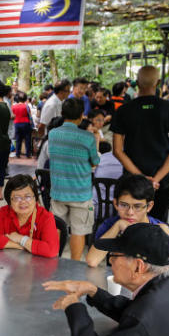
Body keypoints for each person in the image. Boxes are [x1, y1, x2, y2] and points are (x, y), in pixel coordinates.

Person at [111, 65, 169, 221]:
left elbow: (117, 150)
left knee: (130, 222)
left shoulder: (124, 110)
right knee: (156, 224)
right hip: (161, 181)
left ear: (137, 83)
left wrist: (141, 178)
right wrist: (155, 180)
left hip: (132, 180)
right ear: (157, 83)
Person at [87, 173, 169, 267]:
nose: (130, 212)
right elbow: (92, 261)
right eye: (124, 205)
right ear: (115, 204)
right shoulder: (110, 225)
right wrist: (117, 226)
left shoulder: (166, 231)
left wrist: (165, 237)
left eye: (137, 206)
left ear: (149, 206)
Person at [48, 97, 100, 260]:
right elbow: (95, 162)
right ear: (81, 116)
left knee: (56, 228)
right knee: (78, 231)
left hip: (58, 192)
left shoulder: (53, 134)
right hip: (81, 193)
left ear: (62, 114)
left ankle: (53, 260)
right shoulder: (88, 137)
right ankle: (75, 265)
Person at [0, 174, 59, 258]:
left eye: (28, 197)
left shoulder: (46, 217)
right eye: (16, 198)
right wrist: (21, 245)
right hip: (8, 265)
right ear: (9, 201)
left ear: (35, 199)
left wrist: (20, 239)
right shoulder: (4, 212)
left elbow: (51, 250)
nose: (23, 201)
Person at [11, 91, 34, 158]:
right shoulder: (26, 106)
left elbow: (13, 115)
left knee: (18, 139)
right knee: (27, 139)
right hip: (26, 123)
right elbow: (29, 115)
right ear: (25, 99)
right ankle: (28, 154)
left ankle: (17, 154)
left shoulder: (14, 107)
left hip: (17, 124)